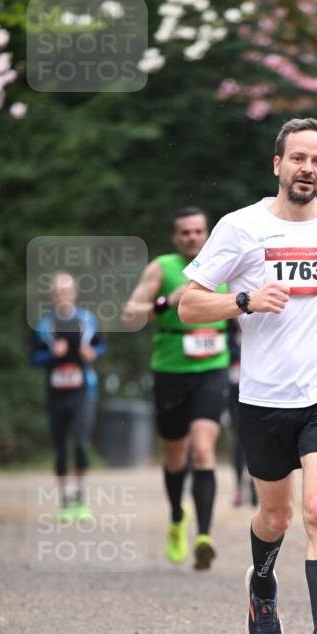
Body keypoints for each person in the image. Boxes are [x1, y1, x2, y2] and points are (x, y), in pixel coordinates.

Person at [179, 118, 317, 634]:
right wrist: (244, 300)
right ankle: (262, 585)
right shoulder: (241, 227)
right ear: (278, 164)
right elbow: (189, 305)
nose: (307, 169)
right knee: (276, 516)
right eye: (298, 158)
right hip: (264, 397)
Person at [122, 208, 229, 570]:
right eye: (185, 232)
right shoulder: (162, 268)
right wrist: (167, 301)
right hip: (170, 372)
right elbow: (130, 315)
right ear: (175, 237)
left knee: (203, 448)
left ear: (207, 234)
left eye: (198, 231)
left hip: (212, 370)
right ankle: (176, 516)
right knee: (174, 456)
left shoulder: (223, 264)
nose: (192, 237)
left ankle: (204, 536)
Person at [30, 272, 105, 521]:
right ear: (52, 295)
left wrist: (93, 353)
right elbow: (33, 357)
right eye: (58, 291)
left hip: (84, 392)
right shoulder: (44, 325)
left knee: (81, 444)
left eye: (67, 290)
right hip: (56, 393)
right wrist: (51, 354)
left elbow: (101, 345)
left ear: (74, 294)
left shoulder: (87, 320)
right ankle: (64, 501)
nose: (63, 295)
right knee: (61, 448)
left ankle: (80, 500)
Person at [226, 322, 258, 508]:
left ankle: (254, 486)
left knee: (257, 442)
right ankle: (238, 486)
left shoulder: (259, 329)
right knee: (238, 442)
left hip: (258, 394)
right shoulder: (228, 336)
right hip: (234, 396)